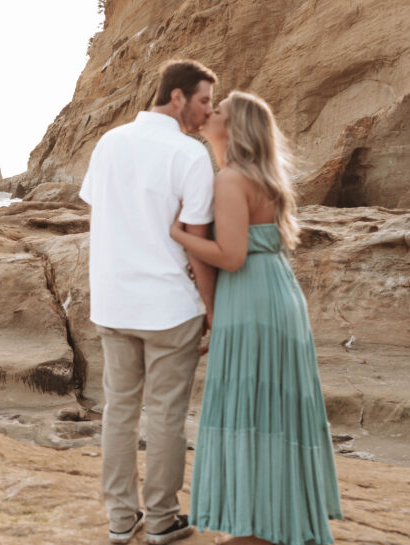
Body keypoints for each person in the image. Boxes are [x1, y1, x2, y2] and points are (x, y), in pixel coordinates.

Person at [170, 91, 342, 545]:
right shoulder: (267, 177)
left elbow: (230, 256)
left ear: (235, 128)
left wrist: (178, 235)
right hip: (279, 293)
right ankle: (276, 519)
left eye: (219, 110)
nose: (209, 112)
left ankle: (253, 527)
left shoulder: (230, 179)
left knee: (246, 403)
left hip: (250, 297)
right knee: (277, 408)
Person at [79, 59, 219, 545]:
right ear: (177, 97)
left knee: (119, 409)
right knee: (164, 415)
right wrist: (212, 308)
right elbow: (197, 242)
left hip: (114, 301)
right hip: (168, 307)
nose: (208, 111)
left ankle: (121, 519)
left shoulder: (109, 142)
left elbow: (103, 216)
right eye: (204, 100)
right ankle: (161, 519)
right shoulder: (190, 154)